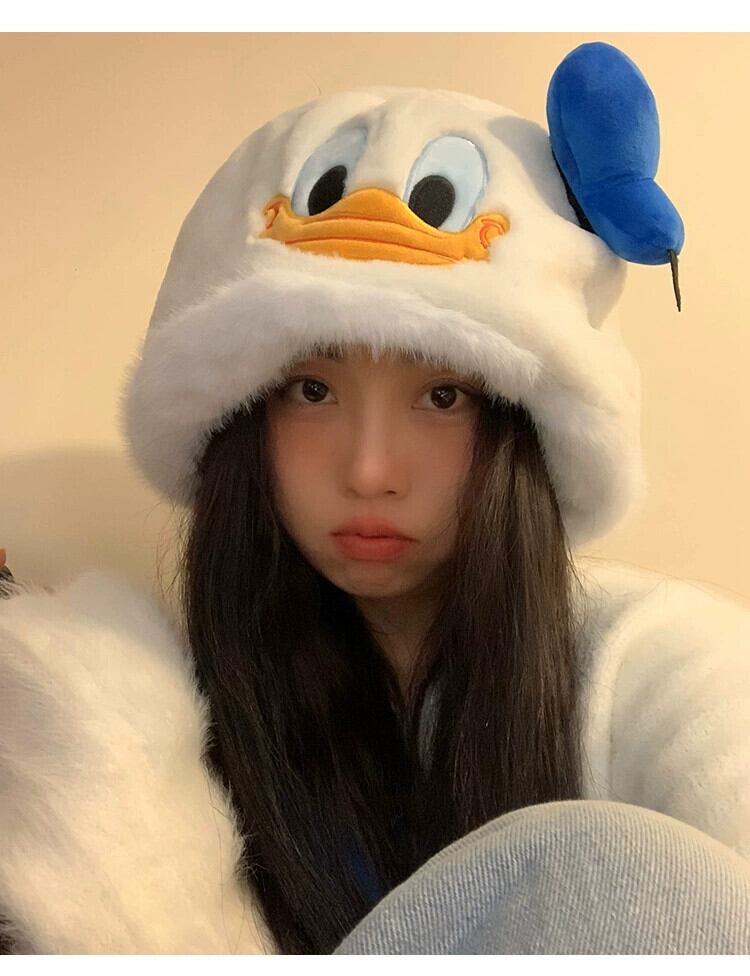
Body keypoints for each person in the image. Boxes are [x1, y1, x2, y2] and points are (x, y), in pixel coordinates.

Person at [1, 41, 749, 955]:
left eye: (444, 395)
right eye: (311, 390)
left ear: (523, 430)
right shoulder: (168, 730)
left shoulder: (655, 673)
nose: (368, 470)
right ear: (240, 417)